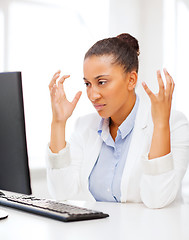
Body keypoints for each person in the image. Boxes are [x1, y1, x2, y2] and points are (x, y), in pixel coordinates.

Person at [46, 33, 189, 208]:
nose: (92, 95)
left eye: (102, 82)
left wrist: (160, 125)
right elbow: (61, 193)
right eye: (88, 84)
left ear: (131, 80)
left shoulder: (174, 124)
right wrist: (58, 123)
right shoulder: (85, 126)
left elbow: (157, 199)